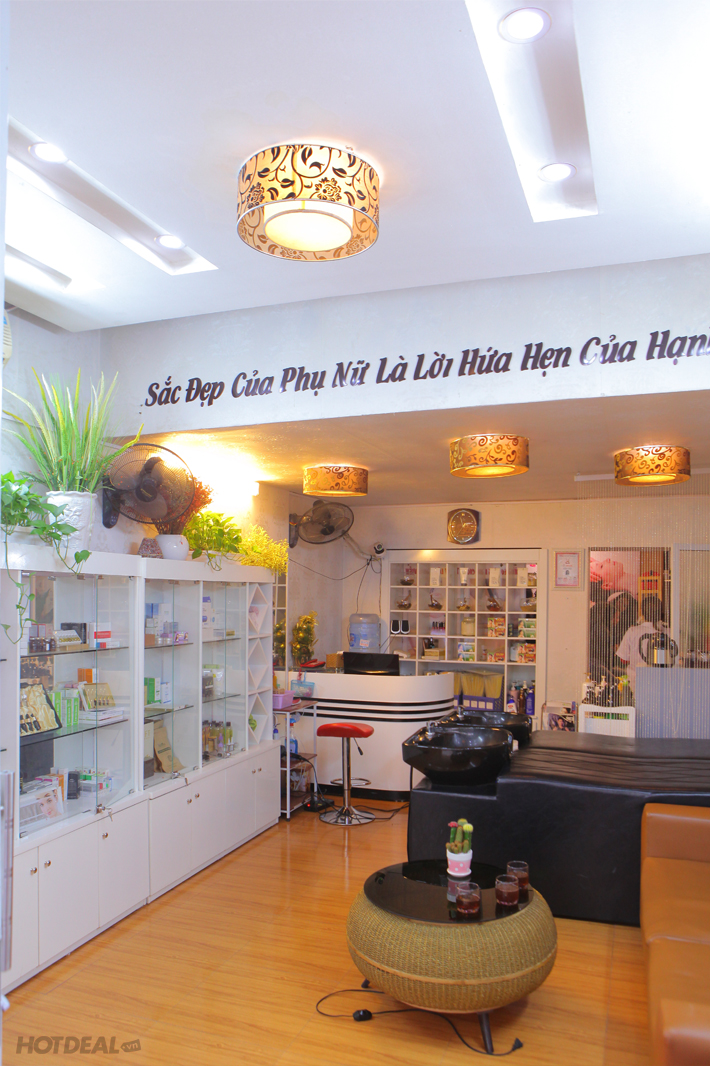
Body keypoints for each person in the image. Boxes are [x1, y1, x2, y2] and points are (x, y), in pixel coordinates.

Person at [616, 595, 668, 692]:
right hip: (661, 682)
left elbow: (623, 659)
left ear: (642, 612)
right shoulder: (667, 632)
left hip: (636, 681)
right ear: (661, 612)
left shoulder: (632, 631)